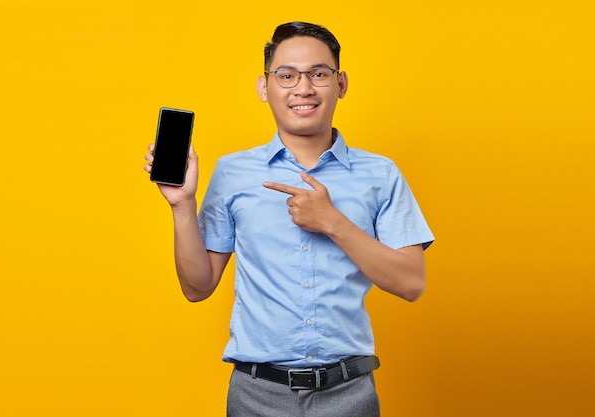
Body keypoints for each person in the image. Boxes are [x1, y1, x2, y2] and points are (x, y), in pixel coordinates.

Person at [144, 21, 434, 417]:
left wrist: (333, 222)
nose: (303, 88)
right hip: (256, 395)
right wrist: (181, 206)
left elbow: (411, 283)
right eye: (286, 75)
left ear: (341, 83)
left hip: (349, 394)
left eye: (319, 74)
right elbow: (197, 287)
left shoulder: (381, 174)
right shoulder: (233, 172)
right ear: (264, 88)